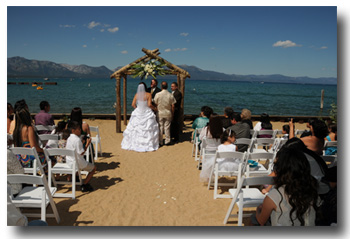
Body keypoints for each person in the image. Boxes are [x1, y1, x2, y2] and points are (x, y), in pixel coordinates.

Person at [253, 146, 319, 226]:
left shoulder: (275, 196)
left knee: (254, 219)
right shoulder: (312, 191)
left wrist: (258, 210)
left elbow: (261, 221)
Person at [121, 82, 159, 152]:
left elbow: (133, 104)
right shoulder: (148, 94)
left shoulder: (137, 95)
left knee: (135, 128)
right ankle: (148, 144)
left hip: (138, 112)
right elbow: (149, 104)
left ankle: (134, 143)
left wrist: (137, 108)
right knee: (148, 128)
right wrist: (155, 109)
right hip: (146, 112)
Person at [66, 121, 96, 192]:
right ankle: (84, 184)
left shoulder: (69, 139)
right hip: (77, 162)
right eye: (79, 129)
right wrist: (87, 144)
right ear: (73, 130)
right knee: (93, 168)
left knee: (79, 165)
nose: (80, 130)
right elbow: (81, 153)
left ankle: (76, 178)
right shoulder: (77, 140)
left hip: (69, 161)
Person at [199, 115, 225, 182]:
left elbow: (200, 138)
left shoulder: (206, 129)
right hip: (218, 153)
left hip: (207, 151)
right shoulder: (223, 130)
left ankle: (208, 176)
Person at [154, 81, 177, 146]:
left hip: (160, 113)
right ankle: (167, 140)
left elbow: (155, 103)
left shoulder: (158, 94)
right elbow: (173, 105)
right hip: (168, 113)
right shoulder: (170, 95)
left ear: (161, 87)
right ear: (167, 87)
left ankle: (160, 141)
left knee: (160, 127)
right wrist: (172, 113)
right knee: (167, 127)